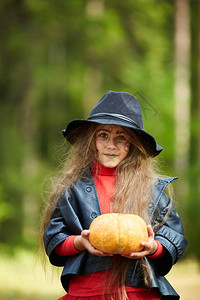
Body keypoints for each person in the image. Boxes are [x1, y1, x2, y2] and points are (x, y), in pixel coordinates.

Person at [40, 91, 187, 300]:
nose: (111, 145)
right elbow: (54, 238)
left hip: (138, 292)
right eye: (103, 135)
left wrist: (153, 247)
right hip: (86, 292)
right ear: (91, 140)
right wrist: (80, 243)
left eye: (121, 137)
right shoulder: (71, 188)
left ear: (133, 145)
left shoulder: (152, 188)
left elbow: (174, 239)